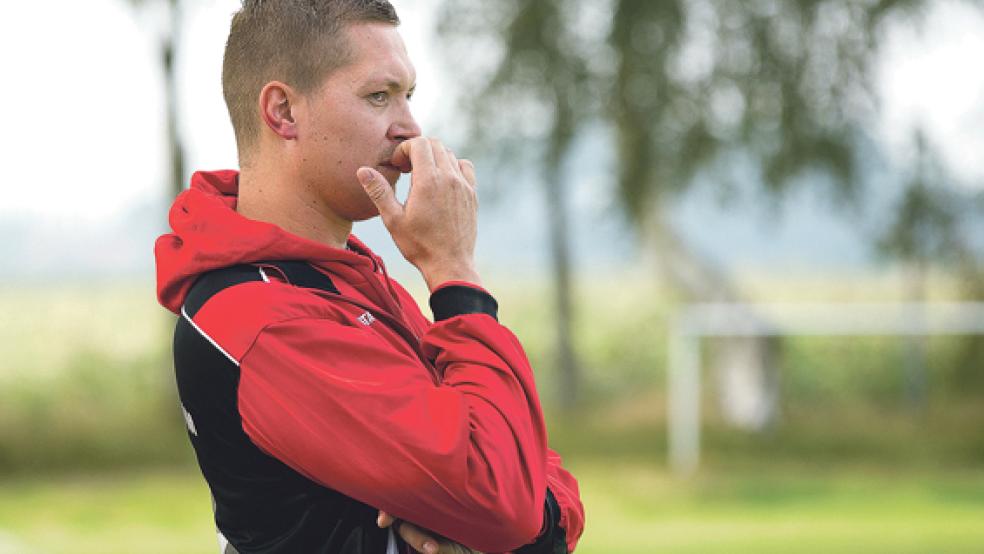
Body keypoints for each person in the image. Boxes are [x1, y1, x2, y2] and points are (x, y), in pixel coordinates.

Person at [154, 1, 584, 553]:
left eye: (409, 95)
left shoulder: (346, 276)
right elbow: (504, 497)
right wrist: (454, 271)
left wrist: (539, 517)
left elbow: (525, 462)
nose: (410, 128)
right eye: (379, 96)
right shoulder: (260, 320)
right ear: (283, 112)